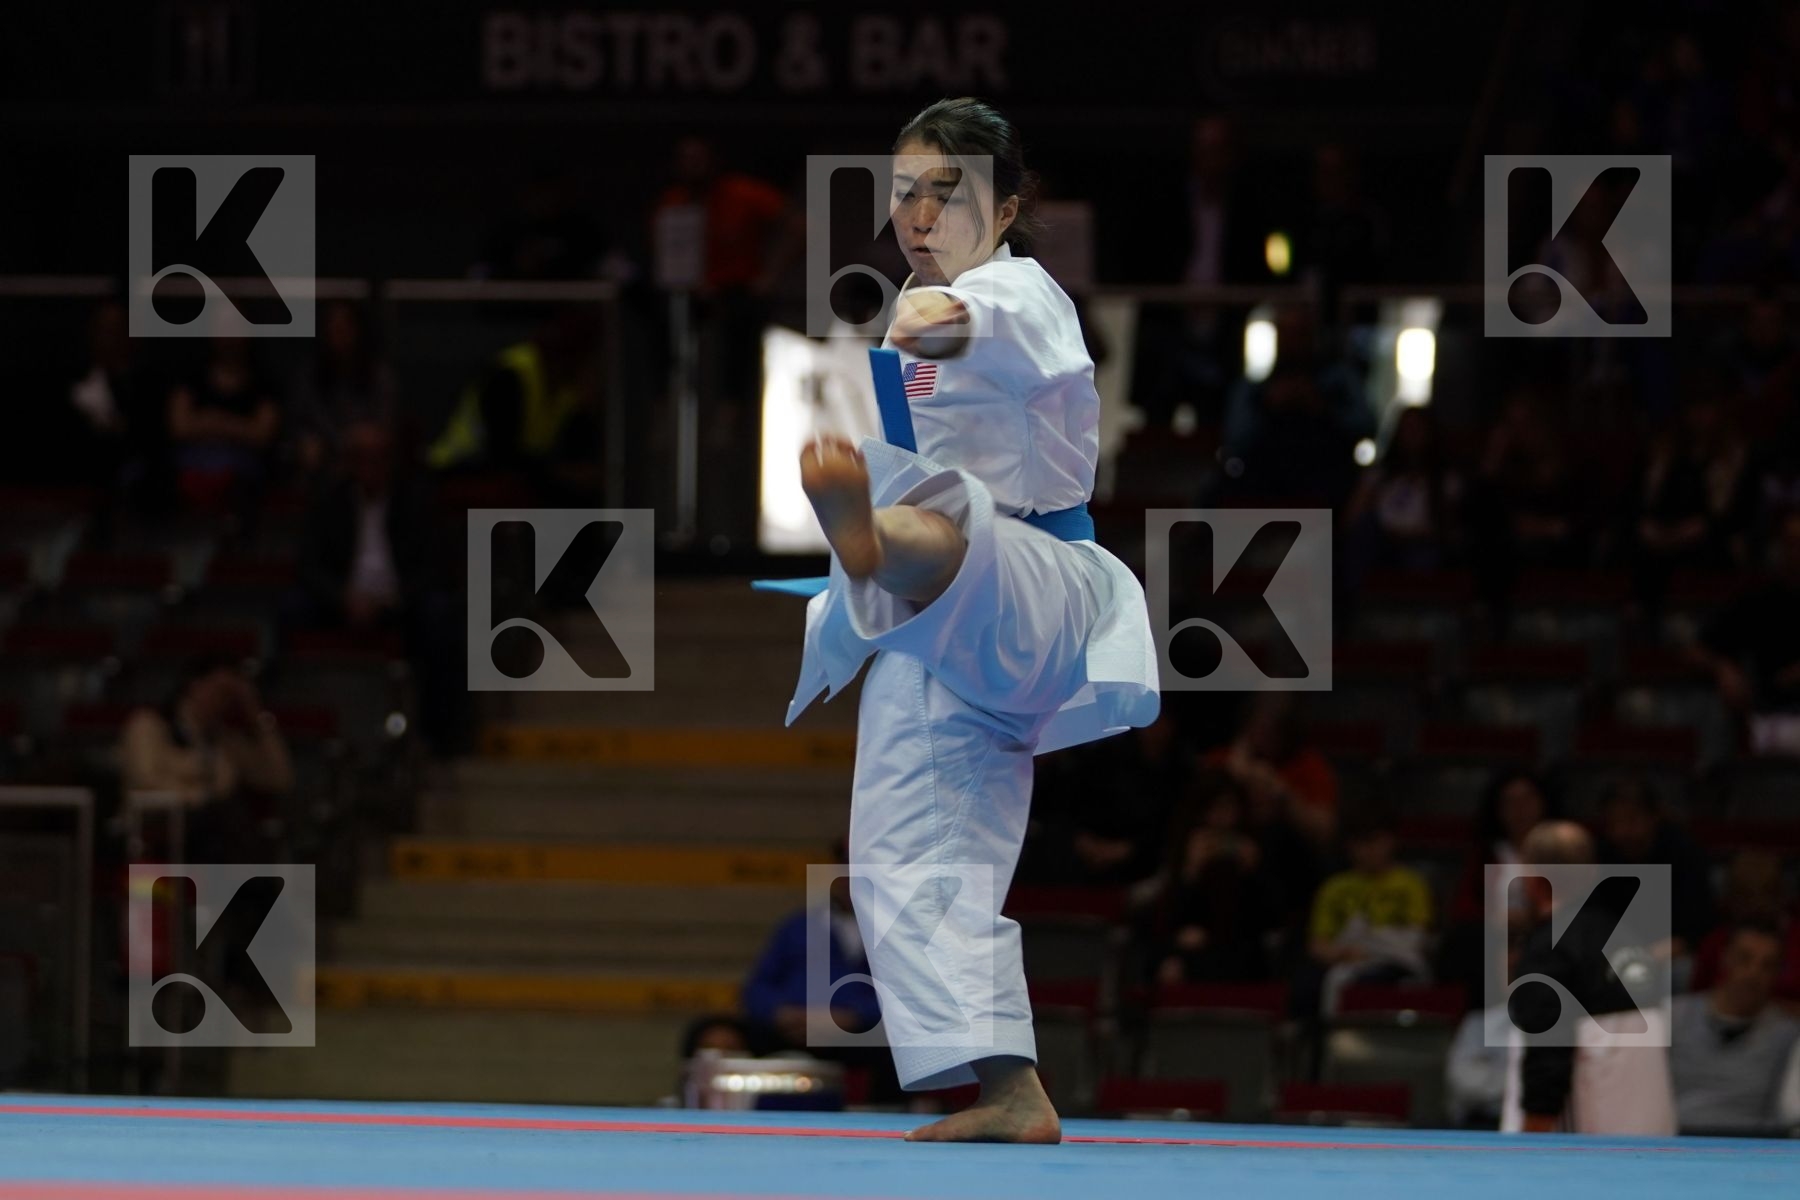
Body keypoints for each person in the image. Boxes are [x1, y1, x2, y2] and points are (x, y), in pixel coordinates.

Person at [780, 98, 1159, 1143]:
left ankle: (876, 548)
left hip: (1043, 579)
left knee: (941, 519)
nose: (920, 210)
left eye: (947, 191)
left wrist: (933, 318)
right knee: (903, 852)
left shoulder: (1017, 290)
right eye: (905, 190)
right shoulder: (911, 305)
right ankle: (1009, 1088)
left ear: (1005, 207)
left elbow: (974, 323)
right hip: (947, 625)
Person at [1504, 821, 1676, 1136]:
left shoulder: (1550, 947)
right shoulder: (1625, 935)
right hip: (1650, 1129)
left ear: (1533, 879)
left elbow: (1548, 1044)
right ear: (1591, 872)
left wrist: (1534, 1128)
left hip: (1590, 1139)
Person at [119, 656, 295, 863]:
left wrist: (256, 713)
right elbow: (145, 780)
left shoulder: (225, 741)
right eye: (220, 690)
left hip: (209, 838)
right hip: (154, 829)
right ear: (194, 684)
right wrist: (202, 794)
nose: (224, 700)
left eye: (231, 695)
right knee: (223, 817)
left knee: (234, 822)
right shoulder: (149, 725)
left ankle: (252, 888)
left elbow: (280, 778)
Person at [1668, 921, 1799, 1134]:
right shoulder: (1674, 1017)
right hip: (1672, 1143)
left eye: (1767, 964)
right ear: (1725, 957)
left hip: (1752, 1147)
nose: (1753, 973)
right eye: (1744, 958)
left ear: (1778, 971)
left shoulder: (1788, 1034)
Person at [1305, 806, 1433, 1014]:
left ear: (1391, 841)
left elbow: (1416, 937)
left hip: (1393, 960)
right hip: (1345, 959)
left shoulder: (1411, 884)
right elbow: (1318, 944)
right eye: (1361, 843)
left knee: (1373, 983)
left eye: (1375, 841)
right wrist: (1342, 953)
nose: (1369, 850)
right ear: (1349, 846)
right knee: (1307, 986)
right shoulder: (1334, 887)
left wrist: (1373, 948)